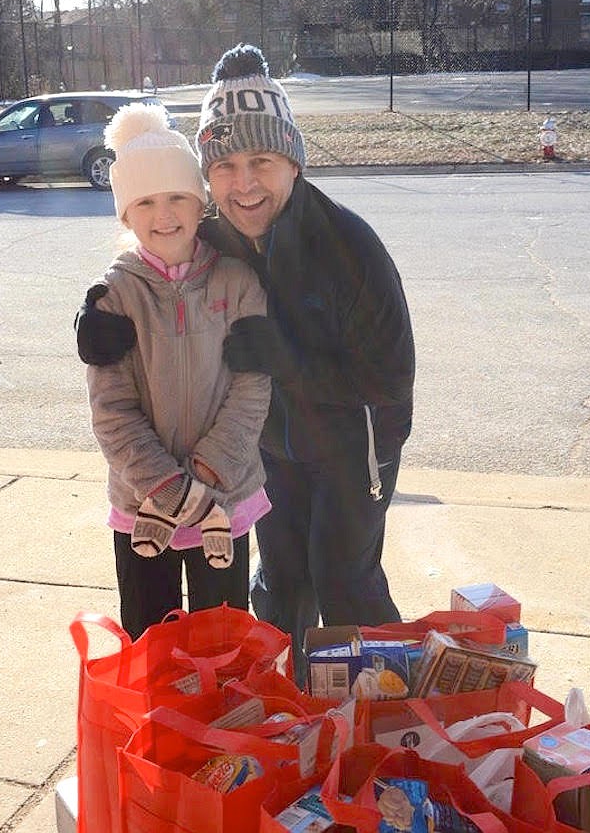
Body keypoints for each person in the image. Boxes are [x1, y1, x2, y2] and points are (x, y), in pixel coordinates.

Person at [76, 45, 415, 677]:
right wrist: (94, 315)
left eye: (261, 160)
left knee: (344, 580)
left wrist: (293, 364)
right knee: (280, 587)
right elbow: (153, 252)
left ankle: (384, 715)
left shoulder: (351, 247)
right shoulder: (213, 231)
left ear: (292, 160)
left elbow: (390, 382)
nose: (244, 183)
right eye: (225, 166)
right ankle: (286, 718)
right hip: (264, 447)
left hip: (353, 445)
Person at [79, 101, 271, 640]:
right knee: (150, 638)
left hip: (224, 497)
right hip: (144, 505)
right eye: (145, 202)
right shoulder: (114, 296)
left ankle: (219, 723)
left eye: (176, 198)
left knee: (223, 638)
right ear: (125, 213)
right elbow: (111, 411)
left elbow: (252, 392)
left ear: (199, 201)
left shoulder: (237, 282)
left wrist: (205, 478)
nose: (164, 216)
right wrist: (168, 490)